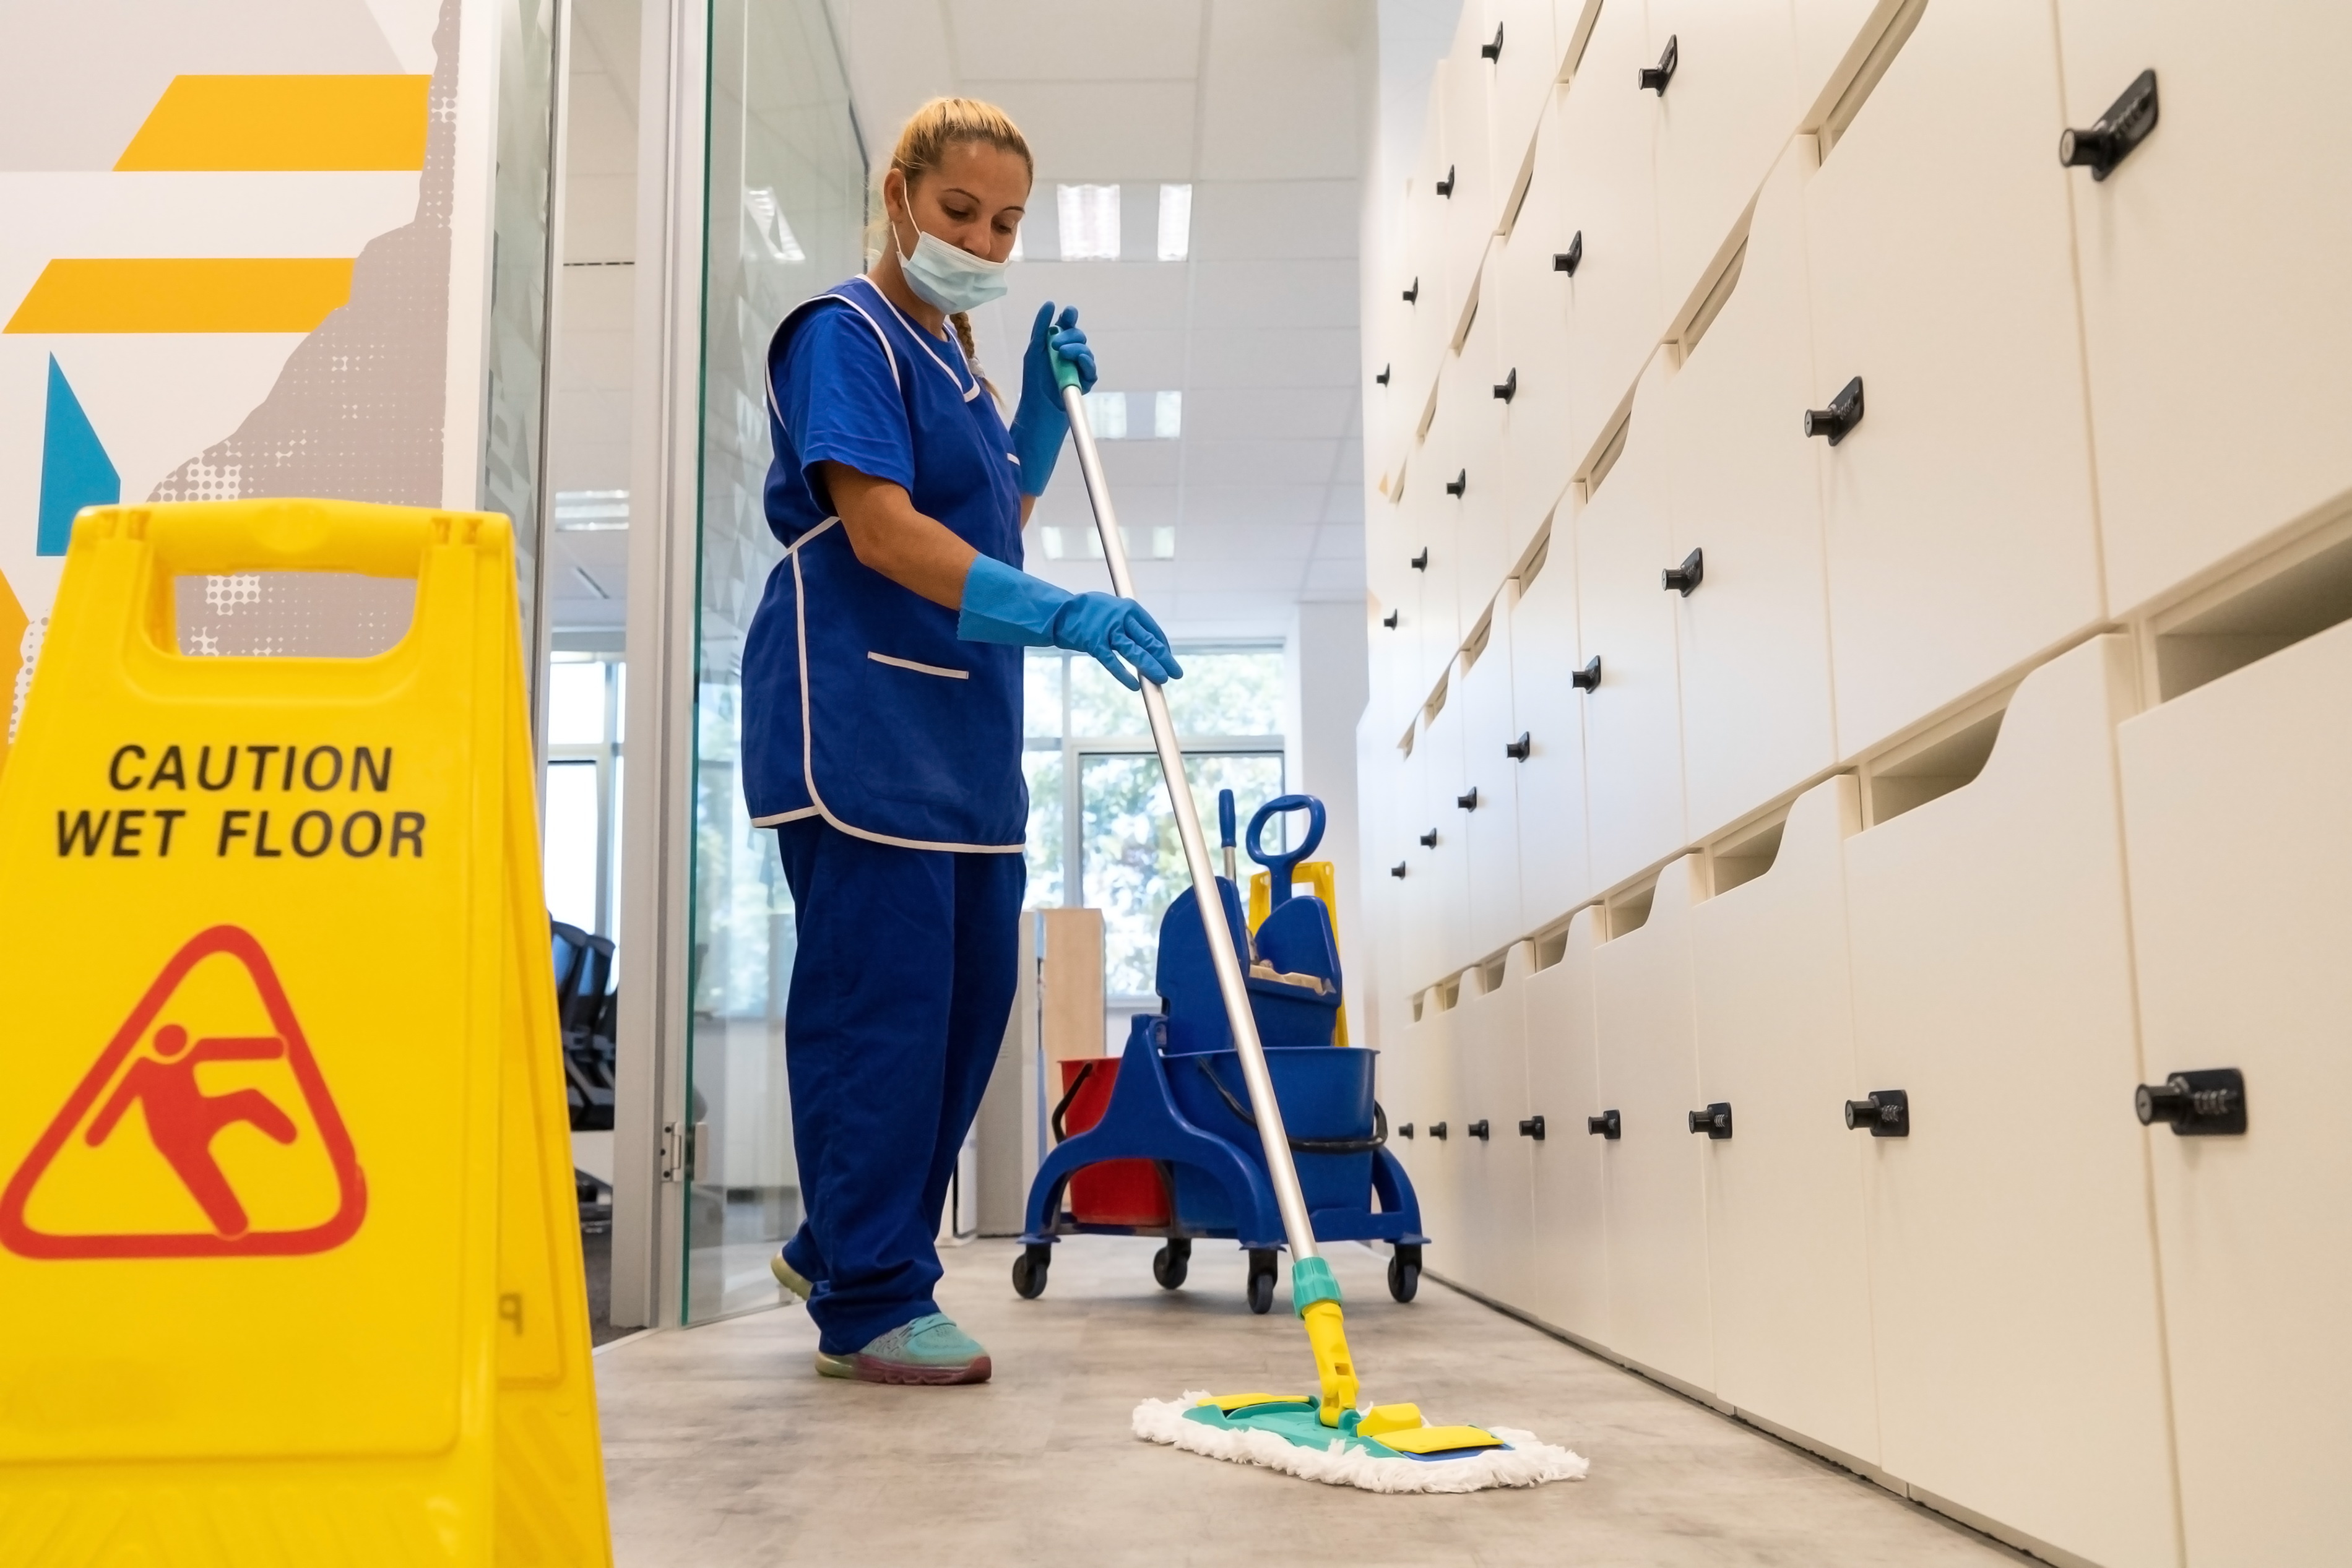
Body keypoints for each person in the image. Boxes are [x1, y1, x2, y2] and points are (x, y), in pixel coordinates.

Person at [738, 97, 1180, 1385]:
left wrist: (1035, 406)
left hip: (963, 739)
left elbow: (997, 510)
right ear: (897, 193)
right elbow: (884, 531)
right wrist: (1065, 613)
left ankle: (840, 1239)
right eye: (958, 213)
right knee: (883, 1014)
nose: (981, 241)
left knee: (967, 1012)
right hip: (860, 722)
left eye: (1003, 224)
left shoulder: (958, 366)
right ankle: (872, 1296)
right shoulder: (847, 334)